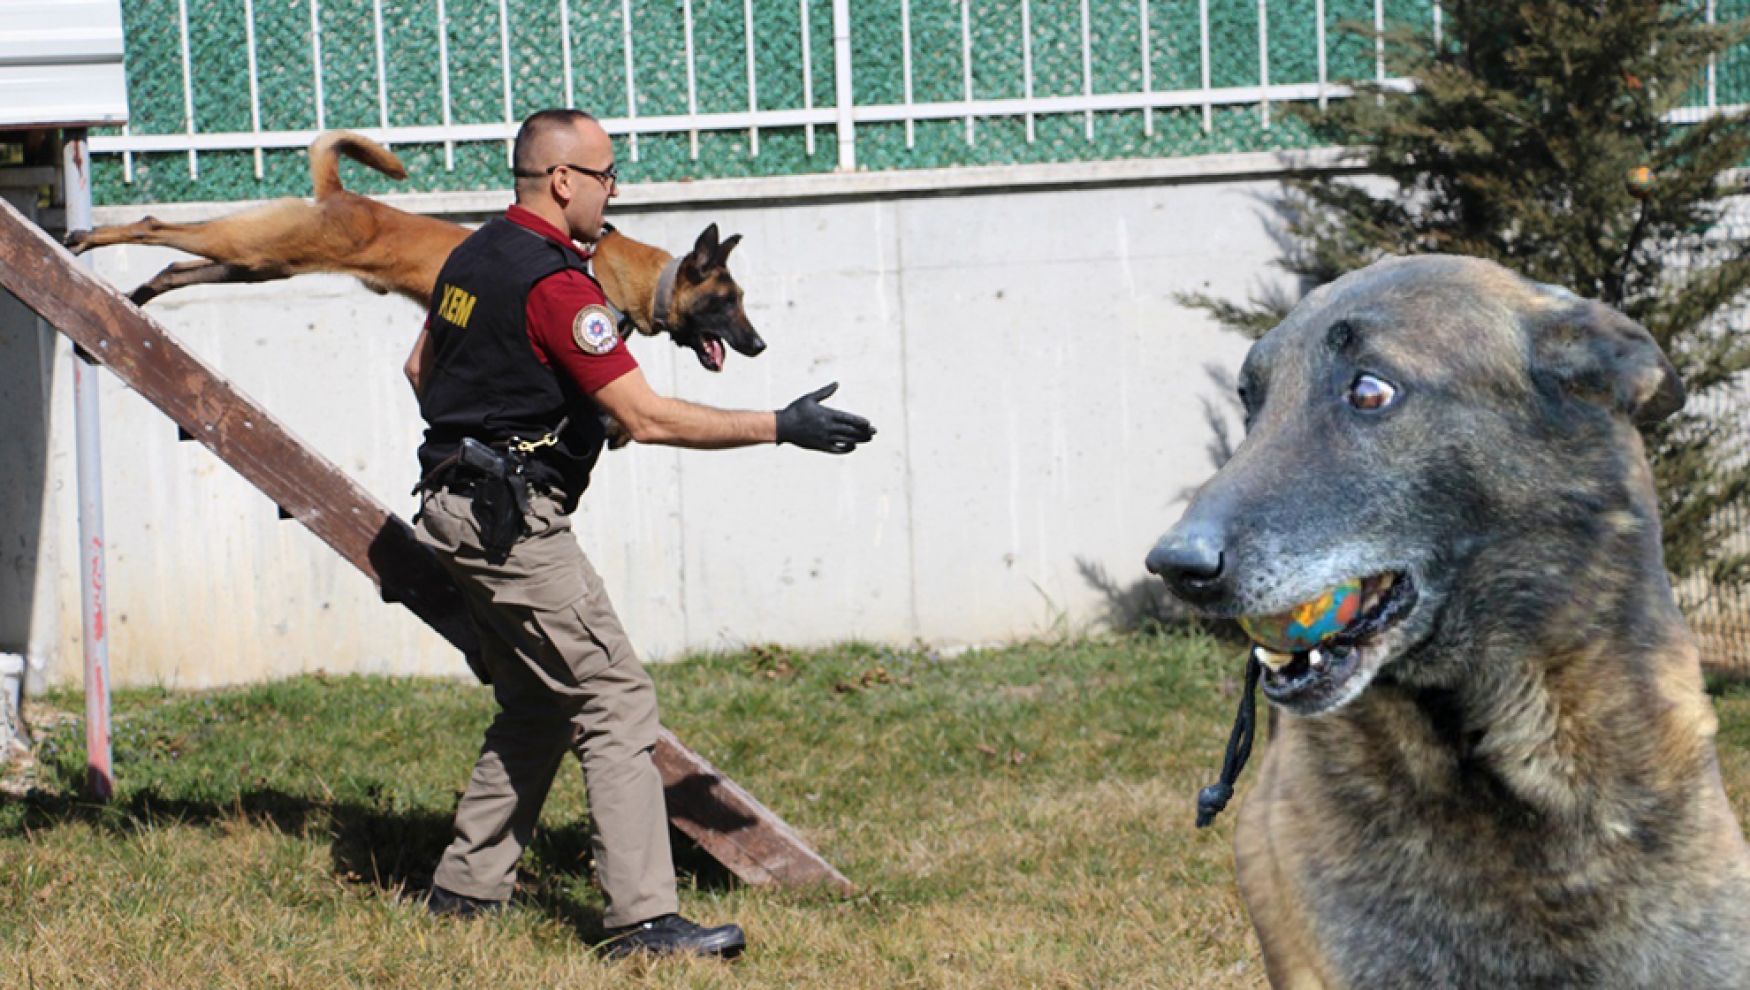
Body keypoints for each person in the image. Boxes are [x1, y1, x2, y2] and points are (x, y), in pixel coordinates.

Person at [403, 107, 876, 959]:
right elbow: (646, 416)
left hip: (449, 502)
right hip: (513, 525)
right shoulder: (557, 286)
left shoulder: (472, 255)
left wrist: (485, 431)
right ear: (562, 181)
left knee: (540, 702)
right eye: (606, 175)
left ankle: (464, 896)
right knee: (617, 703)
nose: (613, 191)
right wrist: (781, 423)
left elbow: (419, 370)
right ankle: (642, 923)